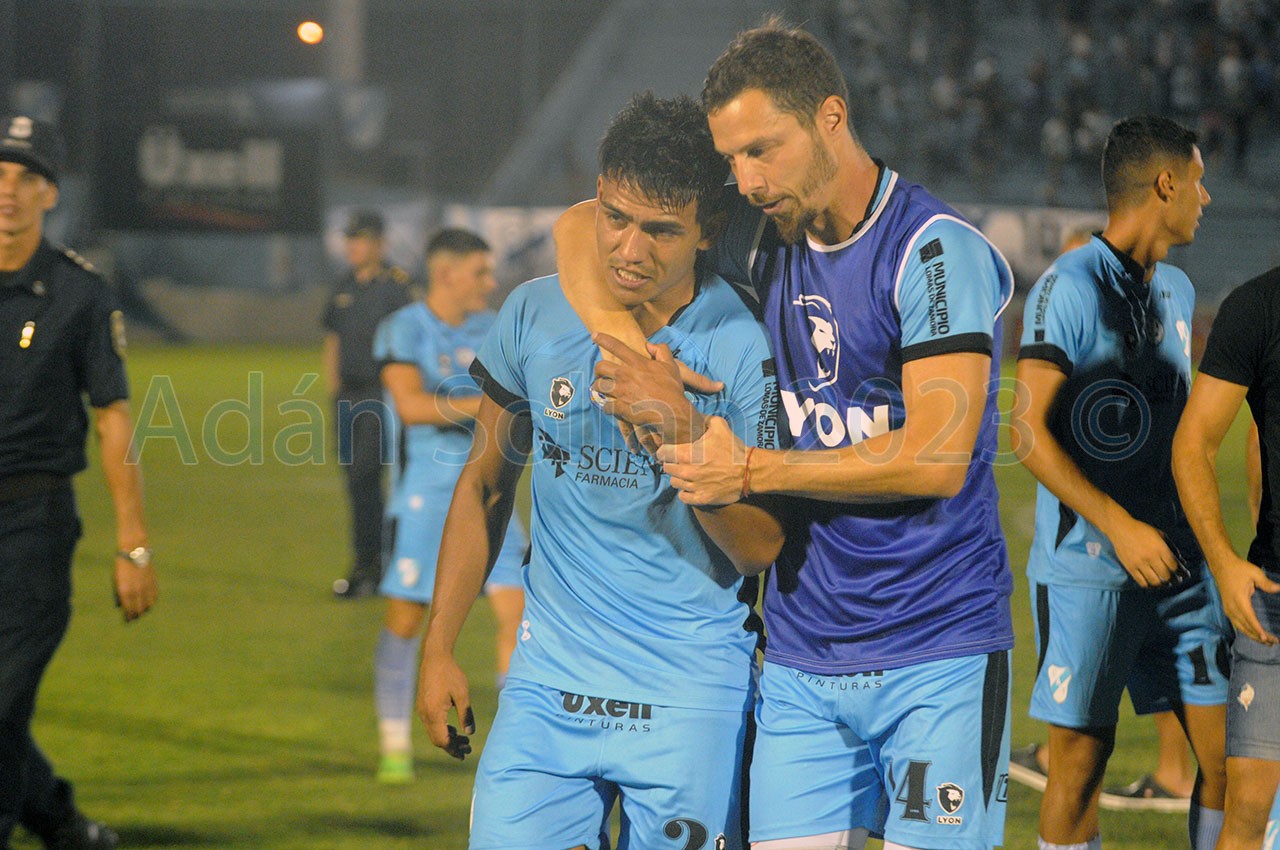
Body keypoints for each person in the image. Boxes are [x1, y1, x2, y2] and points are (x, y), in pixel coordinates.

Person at [555, 20, 1015, 850]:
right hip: (802, 660)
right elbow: (580, 222)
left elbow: (938, 456)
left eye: (762, 150)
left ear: (830, 117)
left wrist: (751, 468)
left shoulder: (932, 250)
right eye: (731, 159)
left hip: (936, 649)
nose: (747, 180)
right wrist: (635, 358)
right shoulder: (764, 232)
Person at [417, 92, 783, 849]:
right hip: (547, 688)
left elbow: (759, 548)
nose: (629, 250)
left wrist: (680, 431)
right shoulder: (533, 313)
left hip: (688, 695)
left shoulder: (741, 345)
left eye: (662, 231)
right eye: (615, 218)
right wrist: (440, 644)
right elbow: (484, 485)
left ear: (708, 229)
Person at [1012, 114, 1227, 850]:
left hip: (1182, 568)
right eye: (1198, 181)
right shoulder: (1068, 285)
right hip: (1089, 568)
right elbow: (1027, 431)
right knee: (1079, 767)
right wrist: (1120, 526)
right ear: (1166, 184)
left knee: (1233, 761)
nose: (1206, 198)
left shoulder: (1179, 290)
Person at [0, 115, 158, 850]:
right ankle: (60, 822)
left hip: (32, 524)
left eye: (26, 177)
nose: (8, 190)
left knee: (2, 702)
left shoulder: (80, 293)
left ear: (50, 194)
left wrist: (134, 545)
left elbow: (113, 418)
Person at [1009, 222, 1200, 816]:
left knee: (1199, 717)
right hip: (1097, 555)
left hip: (1141, 549)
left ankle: (1174, 773)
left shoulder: (1166, 302)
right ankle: (1166, 772)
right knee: (1083, 750)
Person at [369, 228, 527, 784]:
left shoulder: (495, 328)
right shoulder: (403, 327)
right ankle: (394, 746)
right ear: (447, 274)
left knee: (518, 617)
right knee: (406, 621)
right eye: (480, 272)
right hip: (426, 497)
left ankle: (510, 748)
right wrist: (489, 405)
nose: (490, 282)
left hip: (492, 492)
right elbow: (410, 406)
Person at [1172, 264, 1280, 850]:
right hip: (1274, 595)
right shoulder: (1258, 306)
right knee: (1248, 805)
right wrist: (1222, 560)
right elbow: (1194, 443)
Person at [321, 208, 412, 599]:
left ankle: (388, 565)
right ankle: (367, 564)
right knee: (357, 483)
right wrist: (334, 390)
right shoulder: (343, 285)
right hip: (349, 397)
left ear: (379, 244)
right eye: (350, 239)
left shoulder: (396, 287)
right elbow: (333, 339)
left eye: (360, 239)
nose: (353, 247)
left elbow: (411, 340)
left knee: (380, 480)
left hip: (382, 395)